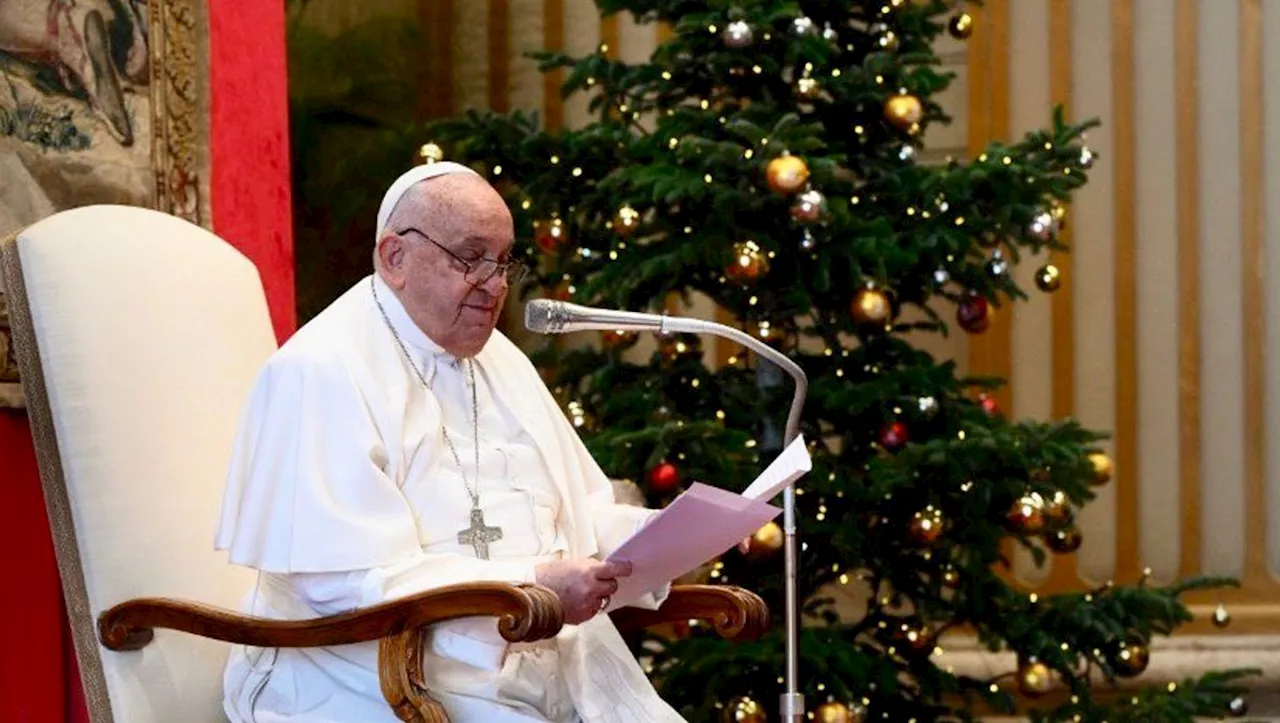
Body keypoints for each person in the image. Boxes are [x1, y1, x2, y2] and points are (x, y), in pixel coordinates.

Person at [214, 161, 687, 722]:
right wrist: (530, 584)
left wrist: (664, 537)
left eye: (504, 260)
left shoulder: (499, 359)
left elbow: (579, 513)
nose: (495, 284)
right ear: (395, 258)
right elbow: (340, 583)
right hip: (369, 672)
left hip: (536, 658)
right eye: (470, 257)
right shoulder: (319, 370)